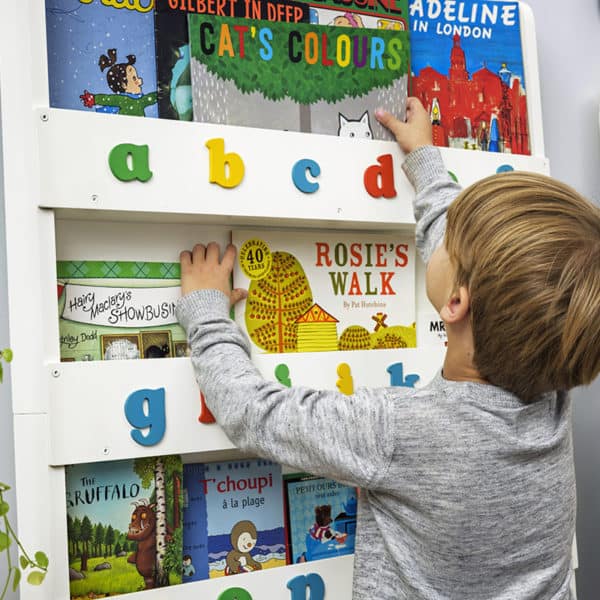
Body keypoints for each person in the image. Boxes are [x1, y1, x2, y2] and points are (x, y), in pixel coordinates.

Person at [176, 97, 600, 599]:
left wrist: (206, 312)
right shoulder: (550, 386)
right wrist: (424, 158)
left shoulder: (397, 430)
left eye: (453, 240)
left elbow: (253, 412)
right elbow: (468, 250)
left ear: (458, 301)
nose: (441, 239)